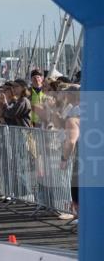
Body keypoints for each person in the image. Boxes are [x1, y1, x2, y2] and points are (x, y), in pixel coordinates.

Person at [59, 90, 80, 223]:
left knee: (77, 188)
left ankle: (80, 216)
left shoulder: (73, 120)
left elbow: (71, 141)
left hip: (83, 159)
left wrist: (64, 159)